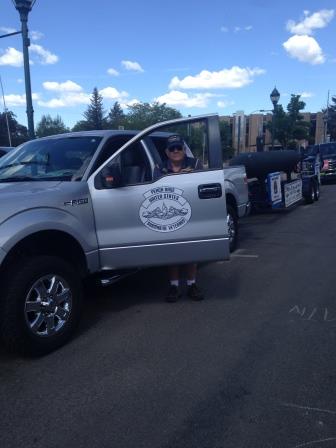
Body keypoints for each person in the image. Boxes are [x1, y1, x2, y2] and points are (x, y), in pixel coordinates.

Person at [155, 134, 204, 303]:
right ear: (167, 152)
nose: (176, 151)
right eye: (172, 148)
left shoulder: (196, 164)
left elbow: (202, 185)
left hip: (191, 213)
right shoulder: (159, 168)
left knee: (191, 251)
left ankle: (192, 285)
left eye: (179, 148)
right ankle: (174, 286)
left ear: (184, 150)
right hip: (169, 215)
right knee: (172, 251)